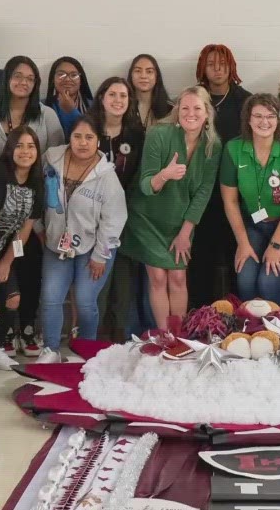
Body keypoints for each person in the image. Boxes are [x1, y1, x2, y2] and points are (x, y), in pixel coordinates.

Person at [126, 87, 221, 331]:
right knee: (158, 277)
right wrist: (165, 175)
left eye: (197, 108)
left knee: (178, 276)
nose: (190, 113)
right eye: (184, 108)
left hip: (179, 222)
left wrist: (185, 233)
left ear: (207, 113)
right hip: (147, 218)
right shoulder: (159, 134)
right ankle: (164, 336)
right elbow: (146, 185)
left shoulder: (213, 146)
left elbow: (203, 193)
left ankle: (177, 336)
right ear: (177, 111)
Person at [38, 116, 127, 361]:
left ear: (98, 141)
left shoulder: (106, 176)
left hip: (95, 247)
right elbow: (35, 193)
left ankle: (86, 350)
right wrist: (39, 228)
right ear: (70, 138)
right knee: (51, 297)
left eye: (89, 137)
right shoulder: (51, 159)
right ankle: (51, 349)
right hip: (57, 244)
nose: (83, 143)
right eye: (77, 136)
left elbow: (114, 220)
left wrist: (100, 256)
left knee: (85, 300)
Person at [219, 94, 280, 305]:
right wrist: (243, 243)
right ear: (248, 119)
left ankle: (276, 324)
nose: (264, 122)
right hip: (255, 223)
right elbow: (230, 201)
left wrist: (275, 246)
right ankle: (250, 323)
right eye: (258, 116)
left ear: (278, 120)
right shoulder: (233, 149)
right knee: (245, 278)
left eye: (270, 116)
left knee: (269, 280)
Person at [88, 76, 151, 340]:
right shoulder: (88, 129)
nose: (118, 100)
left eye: (123, 96)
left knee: (123, 281)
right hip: (92, 216)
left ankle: (120, 336)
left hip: (127, 215)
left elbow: (141, 175)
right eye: (112, 94)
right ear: (101, 98)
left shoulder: (137, 134)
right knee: (98, 278)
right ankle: (95, 337)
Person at [189, 44, 248, 304]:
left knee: (237, 259)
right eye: (211, 64)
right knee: (202, 260)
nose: (217, 69)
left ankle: (240, 314)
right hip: (202, 192)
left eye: (222, 64)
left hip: (238, 192)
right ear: (203, 67)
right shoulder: (194, 100)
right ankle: (201, 315)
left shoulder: (244, 101)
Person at [0, 125, 44, 363]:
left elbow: (25, 228)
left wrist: (6, 262)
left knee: (12, 299)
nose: (25, 151)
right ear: (10, 149)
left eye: (31, 146)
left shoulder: (36, 181)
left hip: (4, 249)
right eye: (19, 146)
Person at [0, 56, 64, 158]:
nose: (23, 82)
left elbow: (57, 156)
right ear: (7, 78)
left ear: (35, 84)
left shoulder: (47, 115)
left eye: (30, 79)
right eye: (18, 76)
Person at [43, 56, 94, 138]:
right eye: (61, 74)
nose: (67, 79)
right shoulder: (42, 106)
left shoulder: (95, 106)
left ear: (81, 80)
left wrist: (71, 111)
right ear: (53, 79)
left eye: (74, 75)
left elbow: (92, 135)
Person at [127, 53, 173, 129]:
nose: (143, 76)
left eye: (149, 71)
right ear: (131, 75)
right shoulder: (122, 106)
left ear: (156, 76)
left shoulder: (170, 109)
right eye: (138, 71)